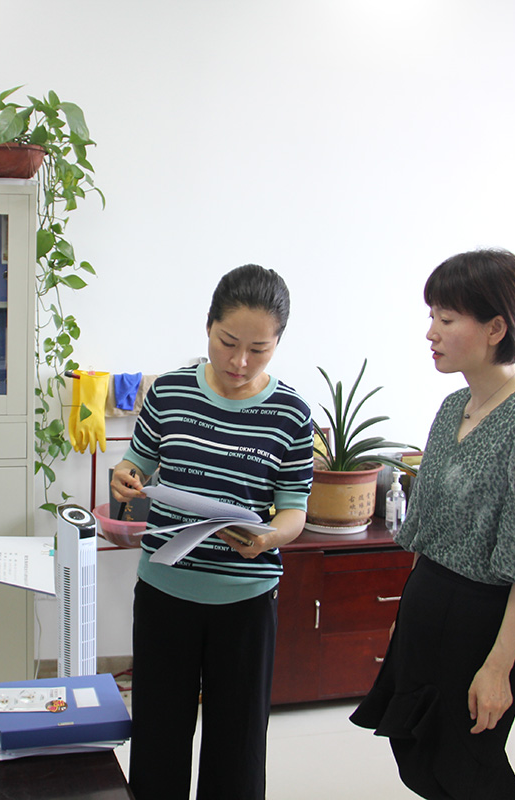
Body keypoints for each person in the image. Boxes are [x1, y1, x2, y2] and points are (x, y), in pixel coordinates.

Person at [350, 249, 515, 800]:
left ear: (496, 328)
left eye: (447, 319)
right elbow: (431, 524)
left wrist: (498, 668)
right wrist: (407, 617)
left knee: (467, 770)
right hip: (428, 601)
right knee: (418, 758)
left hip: (480, 622)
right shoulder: (455, 406)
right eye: (432, 316)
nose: (431, 332)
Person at [110, 264, 313, 799]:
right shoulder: (169, 391)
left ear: (278, 343)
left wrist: (269, 537)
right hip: (165, 592)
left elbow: (294, 510)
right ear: (208, 326)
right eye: (228, 342)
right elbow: (136, 464)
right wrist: (124, 476)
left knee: (236, 750)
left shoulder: (291, 414)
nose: (240, 362)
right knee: (158, 740)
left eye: (259, 349)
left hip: (245, 599)